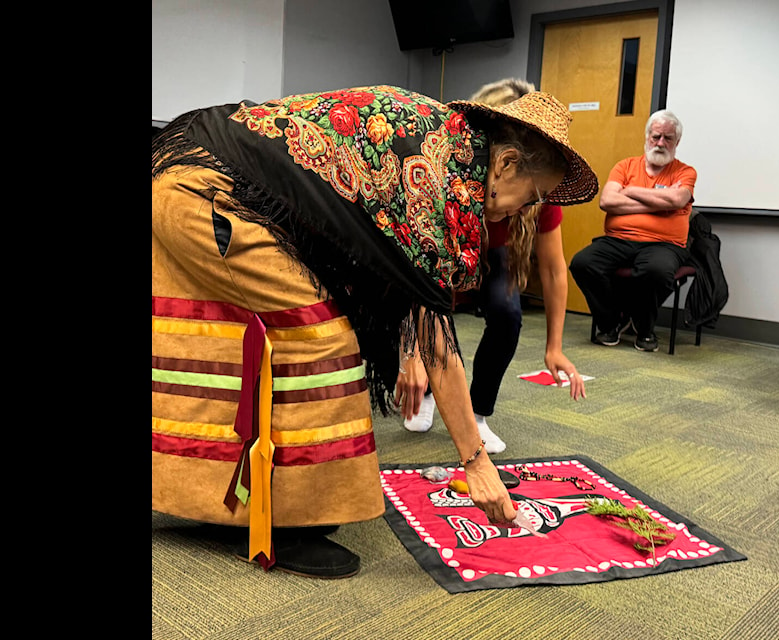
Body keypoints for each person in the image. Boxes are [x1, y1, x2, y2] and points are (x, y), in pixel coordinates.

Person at [152, 85, 598, 578]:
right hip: (203, 190)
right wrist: (475, 462)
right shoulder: (443, 175)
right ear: (507, 163)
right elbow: (437, 337)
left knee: (247, 346)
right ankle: (268, 526)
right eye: (531, 197)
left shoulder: (454, 151)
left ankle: (244, 500)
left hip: (203, 176)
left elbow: (405, 289)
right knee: (321, 340)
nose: (523, 211)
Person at [398, 78, 585, 453]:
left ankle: (478, 412)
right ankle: (436, 389)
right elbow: (410, 269)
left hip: (493, 253)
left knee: (507, 312)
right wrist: (410, 353)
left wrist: (555, 346)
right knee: (437, 309)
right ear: (500, 159)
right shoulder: (445, 176)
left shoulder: (535, 192)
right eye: (528, 195)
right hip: (439, 250)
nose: (529, 205)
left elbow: (552, 270)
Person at [569, 109, 696, 352]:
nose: (660, 143)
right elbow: (607, 202)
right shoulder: (625, 166)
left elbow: (677, 201)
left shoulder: (685, 172)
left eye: (667, 138)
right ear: (647, 136)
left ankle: (644, 327)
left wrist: (629, 191)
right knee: (583, 263)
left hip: (664, 244)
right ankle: (612, 321)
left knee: (656, 271)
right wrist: (660, 201)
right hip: (618, 239)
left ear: (676, 142)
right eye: (656, 136)